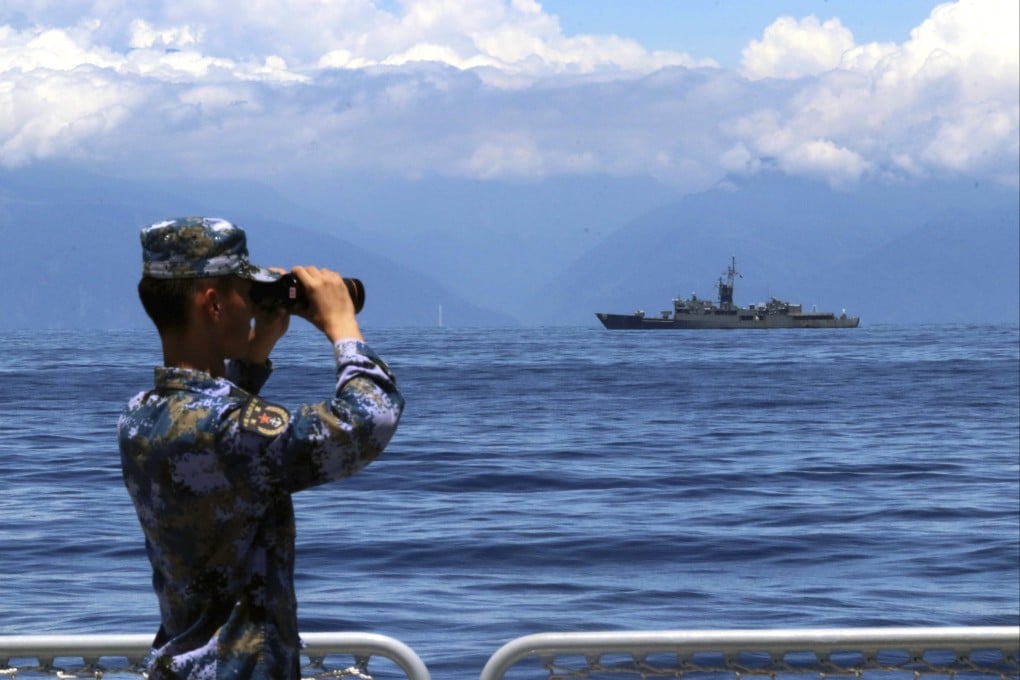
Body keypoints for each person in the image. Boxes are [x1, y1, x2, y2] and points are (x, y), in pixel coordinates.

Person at [118, 216, 404, 679]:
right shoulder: (229, 433)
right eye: (243, 292)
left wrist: (253, 354)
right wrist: (343, 327)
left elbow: (212, 437)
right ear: (212, 303)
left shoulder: (139, 415)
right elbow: (369, 420)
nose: (251, 306)